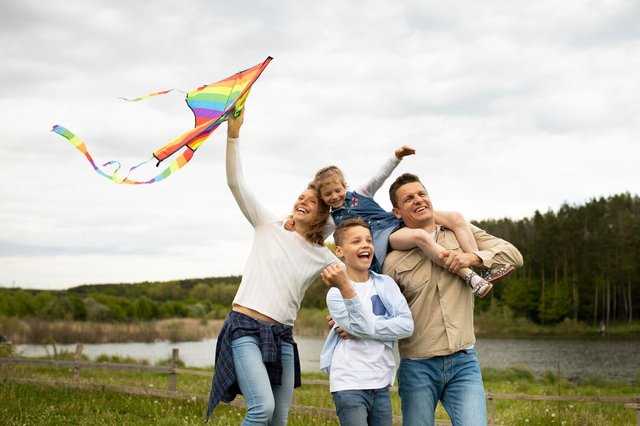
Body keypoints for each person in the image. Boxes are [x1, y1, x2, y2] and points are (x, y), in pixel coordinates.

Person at [206, 108, 342, 425]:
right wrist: (234, 134)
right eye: (301, 196)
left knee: (279, 419)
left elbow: (357, 279)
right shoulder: (268, 225)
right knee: (261, 409)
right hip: (244, 327)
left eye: (313, 201)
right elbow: (235, 183)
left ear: (324, 214)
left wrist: (343, 312)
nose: (302, 201)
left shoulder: (323, 255)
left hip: (282, 335)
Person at [381, 172, 524, 426]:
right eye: (409, 198)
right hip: (417, 366)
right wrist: (345, 316)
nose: (418, 200)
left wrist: (471, 258)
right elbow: (377, 304)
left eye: (422, 194)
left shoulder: (460, 233)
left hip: (464, 362)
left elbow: (513, 255)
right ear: (397, 212)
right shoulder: (392, 260)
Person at [311, 150, 510, 297]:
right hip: (385, 237)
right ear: (321, 197)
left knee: (456, 217)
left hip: (397, 220)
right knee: (420, 236)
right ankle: (470, 277)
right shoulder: (331, 220)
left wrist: (397, 156)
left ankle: (480, 265)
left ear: (344, 186)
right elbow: (315, 242)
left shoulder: (361, 193)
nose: (334, 196)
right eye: (327, 194)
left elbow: (381, 175)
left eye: (337, 190)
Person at [319, 218, 414, 426]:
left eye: (369, 240)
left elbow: (406, 325)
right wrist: (345, 286)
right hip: (348, 383)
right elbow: (361, 327)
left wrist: (363, 329)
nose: (365, 245)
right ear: (340, 251)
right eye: (356, 241)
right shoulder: (335, 293)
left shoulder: (385, 283)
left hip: (380, 382)